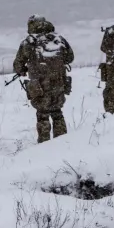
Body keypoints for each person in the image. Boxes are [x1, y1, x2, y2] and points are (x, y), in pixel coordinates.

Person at [13, 15, 75, 143]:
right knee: (57, 112)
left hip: (39, 86)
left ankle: (44, 145)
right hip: (58, 83)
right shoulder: (58, 39)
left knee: (42, 115)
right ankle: (63, 142)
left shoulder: (29, 42)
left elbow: (18, 64)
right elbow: (70, 57)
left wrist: (24, 70)